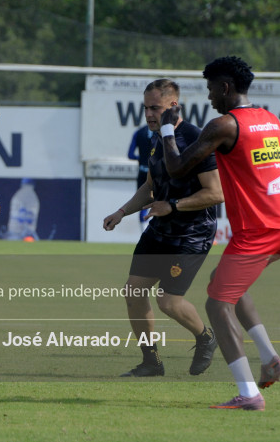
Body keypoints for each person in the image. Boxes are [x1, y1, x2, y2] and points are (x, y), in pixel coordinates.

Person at [160, 56, 280, 410]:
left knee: (216, 303)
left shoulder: (224, 125)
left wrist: (168, 130)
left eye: (211, 89)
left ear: (225, 87)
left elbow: (177, 168)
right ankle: (270, 359)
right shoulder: (269, 120)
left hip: (258, 233)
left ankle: (249, 394)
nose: (210, 96)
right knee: (224, 282)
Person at [103, 79, 222, 377]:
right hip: (161, 230)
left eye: (155, 108)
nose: (149, 114)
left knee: (168, 301)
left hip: (192, 234)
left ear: (173, 106)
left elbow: (216, 193)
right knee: (133, 292)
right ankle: (151, 362)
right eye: (145, 108)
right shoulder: (157, 139)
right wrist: (121, 212)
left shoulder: (196, 139)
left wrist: (173, 206)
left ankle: (206, 338)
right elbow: (149, 187)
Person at [128, 124, 153, 229]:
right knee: (160, 201)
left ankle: (143, 231)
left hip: (142, 172)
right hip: (155, 173)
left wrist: (141, 158)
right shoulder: (160, 133)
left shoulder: (139, 132)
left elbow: (130, 155)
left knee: (143, 204)